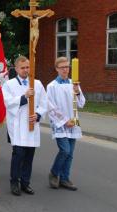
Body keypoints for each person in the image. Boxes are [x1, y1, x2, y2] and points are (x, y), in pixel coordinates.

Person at [2, 55, 48, 196]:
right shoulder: (9, 84)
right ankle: (14, 182)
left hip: (31, 125)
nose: (26, 70)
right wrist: (24, 97)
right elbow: (8, 103)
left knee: (29, 156)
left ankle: (26, 183)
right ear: (16, 68)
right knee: (18, 155)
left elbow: (44, 103)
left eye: (28, 67)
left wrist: (38, 115)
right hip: (17, 126)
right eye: (22, 68)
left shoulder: (37, 83)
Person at [47, 57, 86, 191]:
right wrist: (64, 121)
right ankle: (54, 173)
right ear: (57, 69)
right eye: (62, 67)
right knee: (65, 150)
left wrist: (78, 92)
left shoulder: (74, 83)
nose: (65, 69)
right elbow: (51, 107)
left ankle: (64, 178)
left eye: (67, 66)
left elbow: (81, 103)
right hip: (60, 124)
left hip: (73, 123)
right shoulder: (52, 86)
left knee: (70, 154)